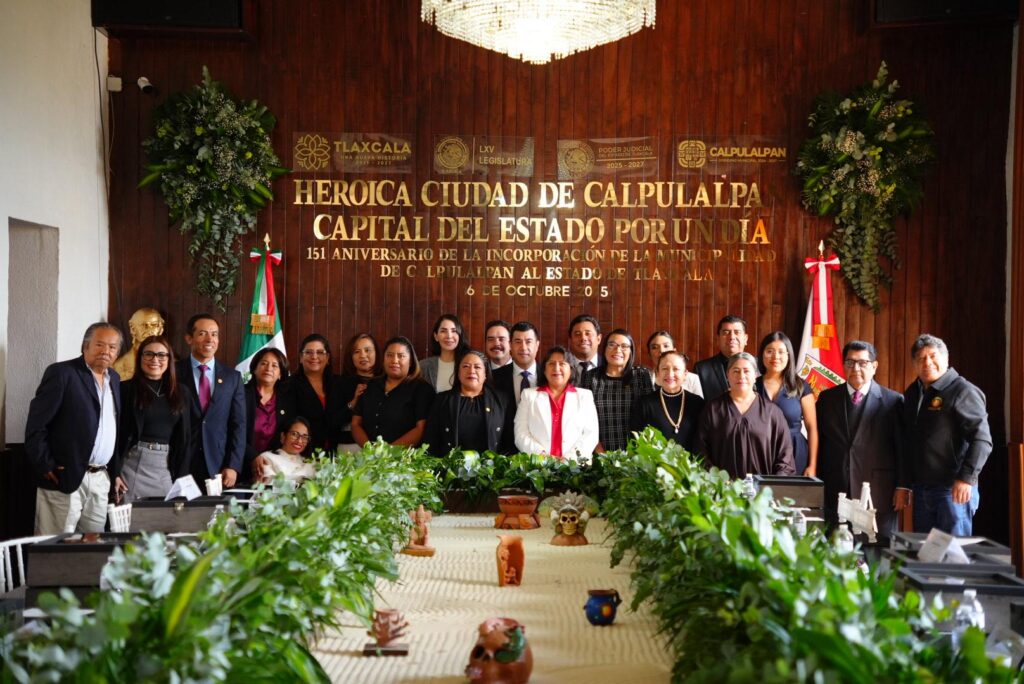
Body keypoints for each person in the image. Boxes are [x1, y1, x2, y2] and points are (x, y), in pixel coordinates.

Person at [26, 322, 123, 534]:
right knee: (55, 544)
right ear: (85, 346)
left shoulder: (114, 379)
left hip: (100, 478)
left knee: (93, 545)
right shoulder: (62, 373)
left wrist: (114, 472)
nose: (106, 351)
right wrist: (46, 465)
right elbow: (36, 425)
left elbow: (112, 429)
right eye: (99, 344)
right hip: (64, 476)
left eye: (112, 347)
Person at [901, 334, 992, 536]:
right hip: (922, 489)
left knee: (952, 551)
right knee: (926, 551)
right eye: (921, 358)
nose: (927, 362)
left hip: (952, 490)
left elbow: (982, 440)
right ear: (914, 364)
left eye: (933, 356)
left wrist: (966, 478)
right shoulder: (913, 393)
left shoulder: (963, 390)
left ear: (946, 358)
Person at [816, 341, 903, 538]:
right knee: (836, 548)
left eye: (863, 363)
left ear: (874, 366)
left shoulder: (893, 401)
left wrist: (903, 486)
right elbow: (820, 442)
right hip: (836, 489)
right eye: (850, 362)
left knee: (876, 550)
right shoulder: (827, 399)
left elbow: (901, 448)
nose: (855, 368)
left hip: (878, 491)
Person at [694, 352, 795, 479]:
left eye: (746, 371)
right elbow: (700, 452)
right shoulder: (713, 410)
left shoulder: (772, 413)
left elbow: (785, 458)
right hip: (722, 488)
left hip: (763, 489)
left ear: (755, 376)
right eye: (736, 371)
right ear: (727, 375)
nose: (741, 376)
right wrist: (716, 481)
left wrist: (772, 485)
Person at [114, 335, 190, 501]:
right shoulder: (125, 389)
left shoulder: (181, 392)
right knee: (131, 516)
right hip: (134, 463)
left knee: (166, 514)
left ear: (169, 359)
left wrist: (182, 477)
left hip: (165, 466)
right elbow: (115, 434)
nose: (155, 359)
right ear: (140, 358)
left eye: (161, 355)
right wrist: (115, 472)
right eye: (148, 354)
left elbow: (185, 438)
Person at [177, 313, 246, 490]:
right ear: (189, 338)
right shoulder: (173, 373)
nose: (210, 339)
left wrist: (233, 465)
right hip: (181, 462)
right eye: (202, 333)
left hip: (218, 464)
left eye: (214, 334)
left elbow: (239, 425)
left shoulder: (232, 378)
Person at [514, 346, 599, 461]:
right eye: (551, 363)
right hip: (538, 465)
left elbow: (591, 435)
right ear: (544, 370)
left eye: (562, 364)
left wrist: (568, 460)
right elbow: (520, 433)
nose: (556, 368)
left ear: (571, 370)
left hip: (575, 466)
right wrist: (542, 456)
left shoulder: (585, 396)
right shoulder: (529, 395)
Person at [424, 350, 514, 456]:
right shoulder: (442, 400)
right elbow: (431, 440)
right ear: (458, 373)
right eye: (465, 366)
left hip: (491, 465)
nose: (471, 371)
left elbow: (509, 440)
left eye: (477, 367)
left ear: (485, 373)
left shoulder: (502, 400)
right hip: (450, 464)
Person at [754, 331, 819, 476]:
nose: (775, 357)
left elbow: (812, 428)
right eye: (770, 351)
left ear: (789, 356)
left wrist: (812, 465)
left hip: (795, 452)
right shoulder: (752, 386)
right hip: (760, 452)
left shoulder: (801, 386)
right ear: (762, 355)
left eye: (781, 352)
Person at [352, 336, 435, 446]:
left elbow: (421, 428)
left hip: (405, 455)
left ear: (410, 361)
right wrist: (369, 449)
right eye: (389, 355)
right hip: (369, 454)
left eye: (401, 356)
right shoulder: (371, 385)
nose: (394, 360)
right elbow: (356, 423)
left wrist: (388, 452)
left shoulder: (422, 389)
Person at [581, 329, 654, 452]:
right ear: (604, 349)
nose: (618, 350)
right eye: (612, 344)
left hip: (636, 450)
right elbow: (583, 416)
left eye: (624, 346)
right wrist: (595, 445)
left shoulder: (641, 376)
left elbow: (651, 414)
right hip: (599, 450)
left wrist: (641, 448)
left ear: (631, 351)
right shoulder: (590, 377)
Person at [631, 350, 705, 451]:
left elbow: (704, 440)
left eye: (676, 369)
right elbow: (636, 442)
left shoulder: (697, 402)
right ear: (657, 373)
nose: (670, 374)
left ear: (685, 374)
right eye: (665, 369)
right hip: (654, 461)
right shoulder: (644, 404)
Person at [286, 333, 344, 455]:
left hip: (336, 453)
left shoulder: (339, 384)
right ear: (301, 357)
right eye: (308, 352)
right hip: (302, 453)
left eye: (320, 352)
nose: (314, 356)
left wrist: (351, 405)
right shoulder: (289, 385)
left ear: (327, 358)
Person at [243, 347, 293, 482]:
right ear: (255, 369)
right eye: (264, 363)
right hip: (241, 465)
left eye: (275, 365)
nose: (268, 368)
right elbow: (234, 431)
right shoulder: (241, 394)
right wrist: (253, 456)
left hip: (274, 468)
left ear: (281, 374)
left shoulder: (287, 400)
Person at [337, 332, 382, 449]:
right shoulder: (341, 383)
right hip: (349, 446)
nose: (363, 355)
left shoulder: (387, 381)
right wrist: (353, 403)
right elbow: (333, 421)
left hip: (382, 447)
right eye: (356, 352)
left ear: (377, 353)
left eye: (368, 350)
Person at [694, 315, 750, 400]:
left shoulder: (757, 367)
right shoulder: (702, 369)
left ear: (745, 339)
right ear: (718, 339)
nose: (732, 337)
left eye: (737, 332)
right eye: (726, 332)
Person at [251, 416, 316, 484]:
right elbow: (267, 486)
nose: (299, 441)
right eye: (294, 434)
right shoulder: (266, 458)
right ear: (283, 436)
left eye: (305, 437)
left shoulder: (311, 464)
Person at [490, 321, 540, 408]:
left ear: (537, 345)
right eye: (518, 342)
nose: (523, 347)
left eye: (528, 342)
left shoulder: (547, 376)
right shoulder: (493, 377)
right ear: (510, 345)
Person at [421, 314, 471, 392]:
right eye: (443, 331)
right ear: (436, 336)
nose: (449, 336)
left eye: (454, 331)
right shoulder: (424, 366)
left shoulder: (469, 364)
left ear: (459, 335)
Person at [112, 307, 165, 381]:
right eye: (144, 325)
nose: (149, 330)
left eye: (154, 325)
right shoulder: (118, 366)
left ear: (161, 329)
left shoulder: (173, 364)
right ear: (133, 329)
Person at [646, 330, 703, 396]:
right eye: (655, 347)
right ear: (649, 354)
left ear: (674, 351)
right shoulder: (644, 380)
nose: (661, 350)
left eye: (666, 346)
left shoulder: (693, 379)